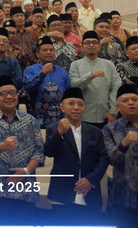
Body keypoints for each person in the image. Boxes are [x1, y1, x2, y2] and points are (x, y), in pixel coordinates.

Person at [0, 76, 45, 225]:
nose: (9, 96)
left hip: (25, 191)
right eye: (4, 94)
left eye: (13, 93)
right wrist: (3, 146)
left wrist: (27, 171)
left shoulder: (30, 121)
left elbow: (39, 152)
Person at [44, 87, 109, 225]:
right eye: (71, 103)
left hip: (90, 193)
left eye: (80, 104)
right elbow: (49, 152)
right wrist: (59, 133)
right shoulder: (53, 128)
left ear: (84, 108)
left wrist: (90, 180)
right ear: (62, 107)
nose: (76, 107)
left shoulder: (95, 132)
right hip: (62, 193)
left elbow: (103, 159)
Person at [69, 31, 122, 129]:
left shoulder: (109, 65)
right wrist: (91, 75)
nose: (91, 45)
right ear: (82, 46)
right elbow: (74, 86)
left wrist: (113, 112)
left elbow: (116, 88)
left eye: (94, 42)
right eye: (87, 42)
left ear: (99, 46)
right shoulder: (75, 65)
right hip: (83, 117)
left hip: (106, 116)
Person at [102, 84, 138, 228]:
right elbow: (112, 159)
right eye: (126, 100)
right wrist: (124, 144)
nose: (131, 103)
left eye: (135, 100)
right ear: (117, 107)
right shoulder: (109, 129)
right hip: (124, 197)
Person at [23, 36, 71, 127]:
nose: (48, 52)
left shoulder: (63, 72)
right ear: (37, 54)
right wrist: (43, 73)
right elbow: (28, 87)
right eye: (44, 50)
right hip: (38, 118)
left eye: (51, 50)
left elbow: (68, 94)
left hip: (60, 119)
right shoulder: (30, 70)